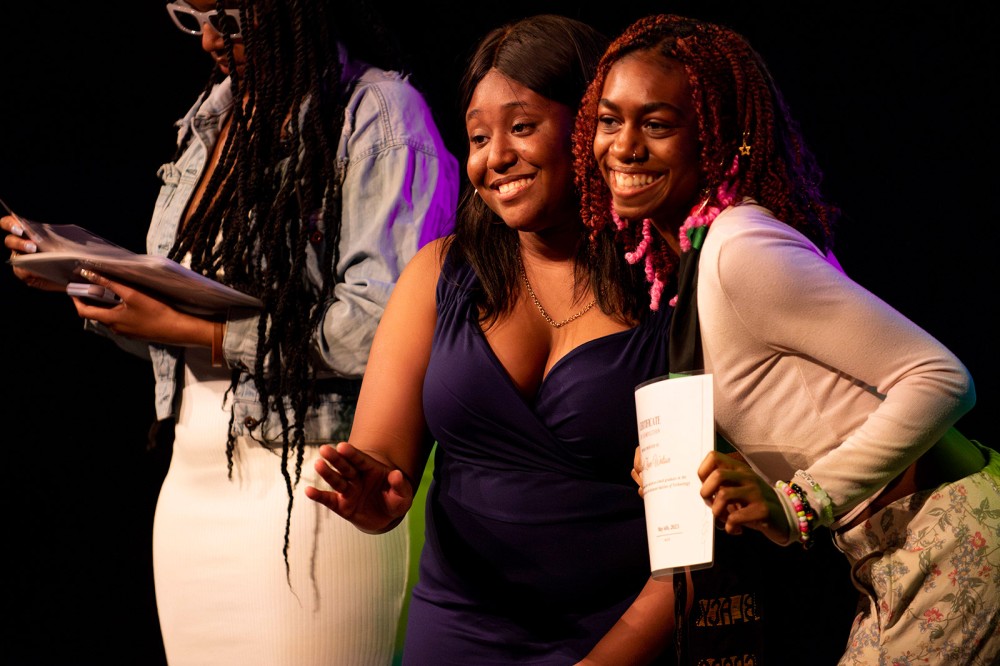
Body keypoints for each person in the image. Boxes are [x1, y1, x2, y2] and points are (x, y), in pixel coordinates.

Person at [2, 0, 458, 663]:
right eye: (192, 17)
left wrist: (193, 329)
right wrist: (92, 285)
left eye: (231, 19)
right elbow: (182, 325)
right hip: (192, 488)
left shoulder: (378, 114)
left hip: (310, 488)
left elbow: (378, 330)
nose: (210, 40)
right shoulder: (215, 116)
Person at [573, 12, 1000, 665]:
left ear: (717, 136)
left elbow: (941, 378)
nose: (624, 147)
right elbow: (810, 425)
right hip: (895, 557)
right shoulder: (701, 257)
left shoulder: (739, 248)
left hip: (949, 539)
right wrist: (705, 473)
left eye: (656, 124)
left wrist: (798, 501)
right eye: (610, 120)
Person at [304, 14, 679, 664]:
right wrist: (371, 498)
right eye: (478, 136)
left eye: (522, 127)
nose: (494, 158)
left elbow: (701, 538)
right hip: (458, 631)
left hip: (622, 636)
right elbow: (383, 468)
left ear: (591, 123)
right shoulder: (439, 274)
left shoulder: (669, 282)